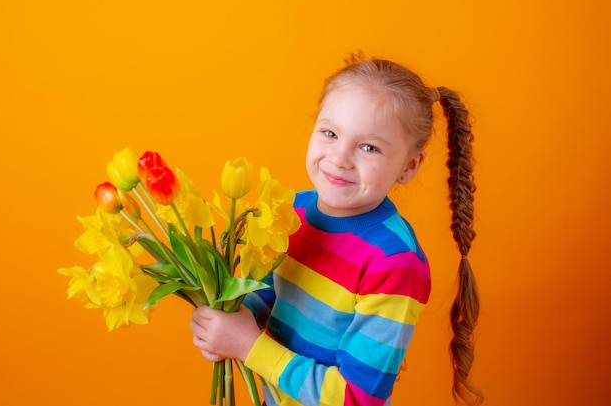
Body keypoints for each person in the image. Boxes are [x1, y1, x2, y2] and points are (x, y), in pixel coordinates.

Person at [190, 53, 482, 406]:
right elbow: (269, 292)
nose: (340, 158)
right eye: (330, 133)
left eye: (369, 147)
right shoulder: (293, 210)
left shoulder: (394, 263)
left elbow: (357, 400)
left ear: (408, 166)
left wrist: (249, 345)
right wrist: (231, 320)